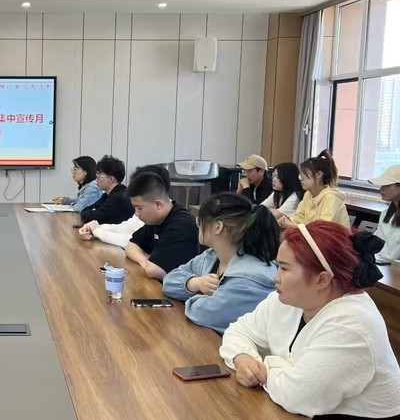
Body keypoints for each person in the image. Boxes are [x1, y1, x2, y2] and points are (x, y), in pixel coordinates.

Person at [220, 221, 400, 418]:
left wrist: (264, 364)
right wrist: (243, 357)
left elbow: (296, 396)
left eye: (284, 269)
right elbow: (238, 331)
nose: (275, 277)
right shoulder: (288, 299)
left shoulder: (352, 325)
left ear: (322, 279)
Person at [163, 193, 279, 334]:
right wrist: (195, 283)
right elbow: (169, 281)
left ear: (218, 227)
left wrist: (190, 294)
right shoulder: (211, 256)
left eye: (200, 220)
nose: (198, 225)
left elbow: (202, 313)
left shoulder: (250, 279)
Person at [126, 171, 199, 280]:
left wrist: (148, 264)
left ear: (158, 204)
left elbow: (154, 271)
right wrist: (145, 262)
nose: (136, 213)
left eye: (139, 208)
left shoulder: (181, 225)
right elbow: (131, 246)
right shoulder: (156, 220)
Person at [78, 164, 170, 247]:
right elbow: (127, 227)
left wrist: (98, 231)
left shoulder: (170, 220)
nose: (137, 213)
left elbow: (131, 241)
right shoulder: (148, 208)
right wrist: (96, 228)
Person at [278, 150, 349, 229]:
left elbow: (321, 230)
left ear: (319, 175)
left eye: (304, 174)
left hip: (331, 237)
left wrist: (291, 225)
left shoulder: (331, 198)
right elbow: (298, 218)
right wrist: (286, 221)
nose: (300, 178)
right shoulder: (308, 194)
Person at [80, 155, 134, 225]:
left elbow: (89, 218)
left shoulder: (118, 198)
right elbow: (86, 210)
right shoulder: (107, 195)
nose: (96, 179)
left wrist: (92, 212)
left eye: (100, 174)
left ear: (111, 179)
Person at [369, 164, 400, 264]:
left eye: (387, 185)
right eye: (382, 185)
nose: (382, 189)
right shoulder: (386, 214)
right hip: (381, 264)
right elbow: (376, 246)